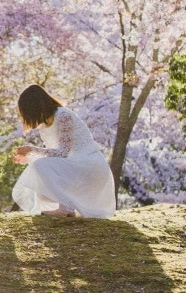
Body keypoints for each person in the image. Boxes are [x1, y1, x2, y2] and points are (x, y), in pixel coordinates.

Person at [11, 85, 115, 218]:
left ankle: (66, 208)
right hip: (75, 167)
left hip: (89, 166)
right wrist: (28, 157)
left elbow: (63, 153)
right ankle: (66, 207)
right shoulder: (43, 127)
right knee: (39, 183)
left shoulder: (63, 115)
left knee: (39, 168)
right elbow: (54, 157)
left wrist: (31, 149)